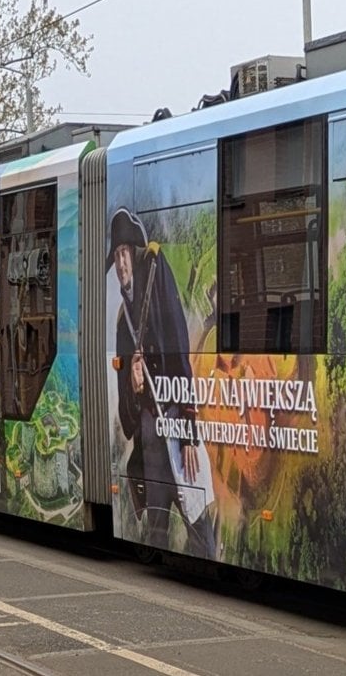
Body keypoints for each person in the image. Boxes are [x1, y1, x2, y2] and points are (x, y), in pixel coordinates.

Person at [108, 207, 216, 559]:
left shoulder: (158, 279)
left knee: (199, 524)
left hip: (175, 427)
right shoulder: (124, 323)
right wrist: (134, 386)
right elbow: (127, 417)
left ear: (136, 254)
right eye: (117, 256)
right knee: (156, 532)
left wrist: (187, 430)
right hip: (150, 437)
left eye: (126, 253)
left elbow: (180, 350)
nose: (122, 264)